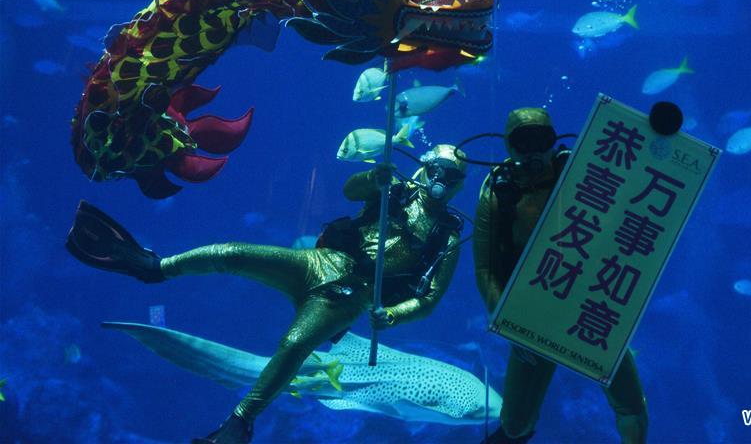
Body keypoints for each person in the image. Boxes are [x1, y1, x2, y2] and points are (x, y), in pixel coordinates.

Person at [65, 144, 467, 444]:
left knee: (294, 344)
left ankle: (240, 422)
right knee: (232, 253)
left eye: (451, 178)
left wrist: (394, 316)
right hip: (320, 260)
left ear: (458, 186)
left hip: (351, 292)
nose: (440, 181)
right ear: (425, 165)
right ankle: (154, 267)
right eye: (437, 170)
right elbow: (350, 189)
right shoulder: (393, 189)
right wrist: (373, 179)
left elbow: (430, 297)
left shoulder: (446, 233)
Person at [473, 108, 648, 444]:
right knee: (515, 425)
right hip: (534, 312)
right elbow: (486, 269)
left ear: (554, 141)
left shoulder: (584, 173)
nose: (534, 152)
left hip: (594, 304)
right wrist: (508, 323)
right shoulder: (499, 195)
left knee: (631, 407)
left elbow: (641, 181)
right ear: (509, 147)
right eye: (523, 143)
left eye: (542, 141)